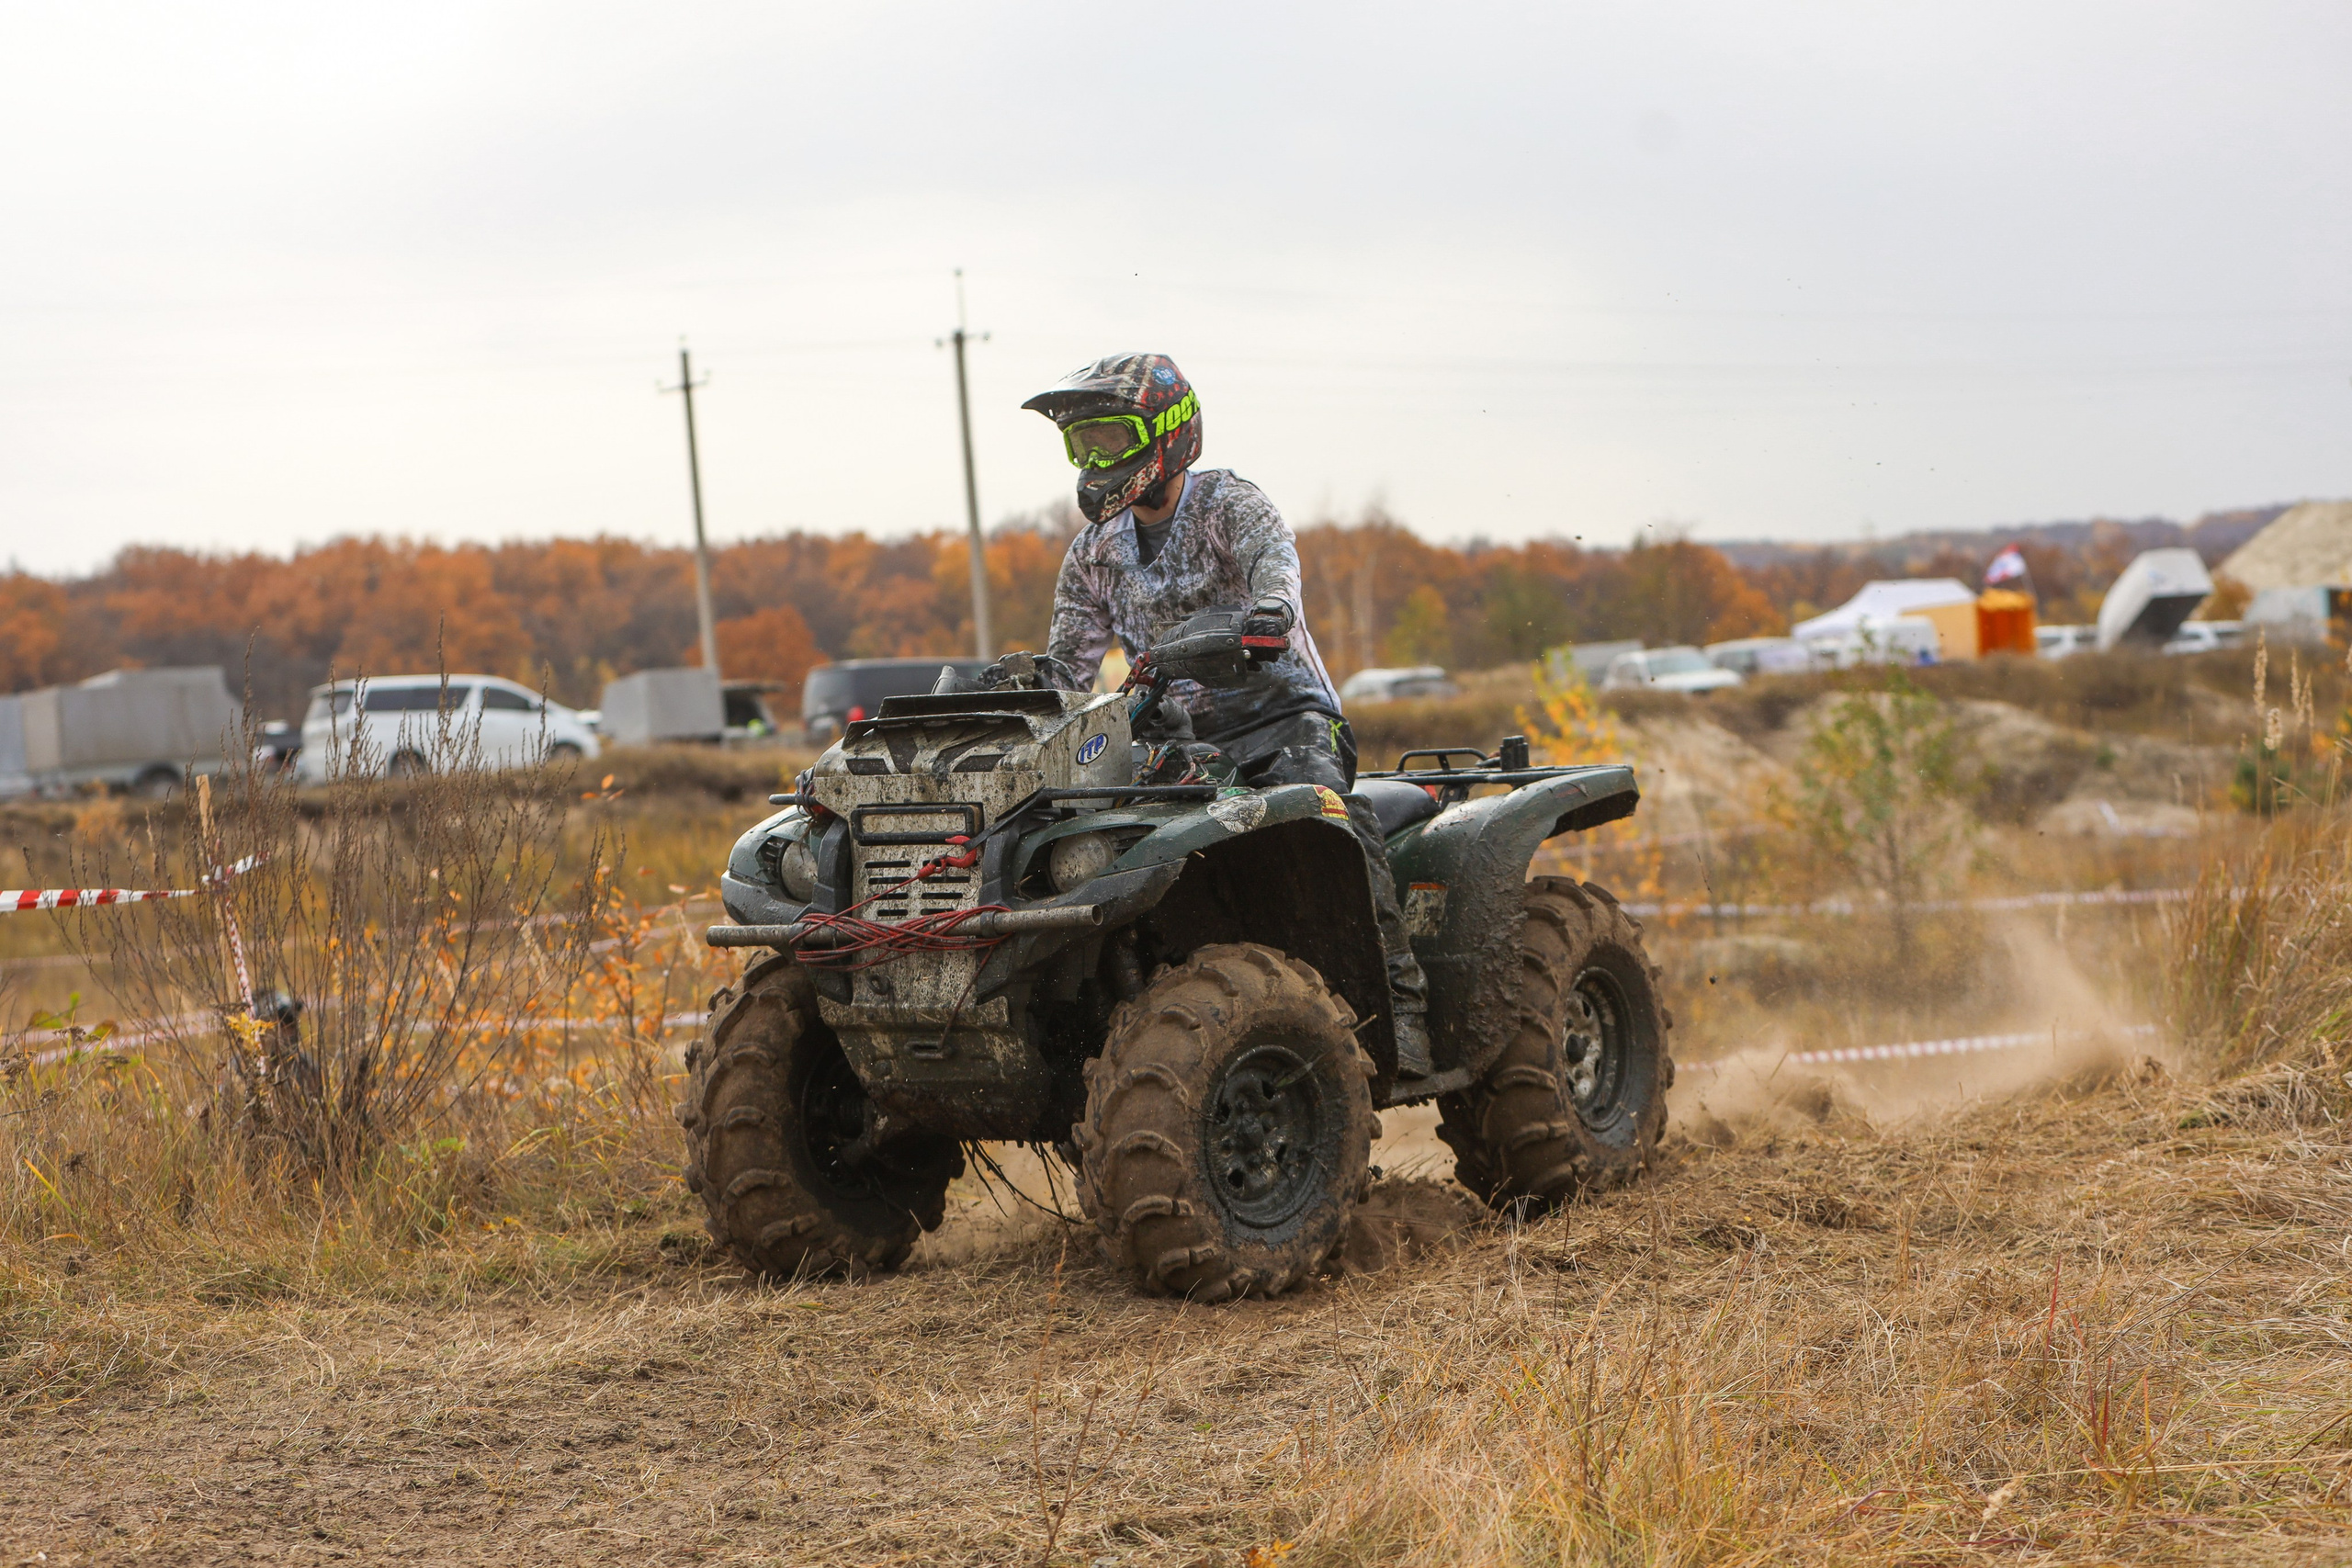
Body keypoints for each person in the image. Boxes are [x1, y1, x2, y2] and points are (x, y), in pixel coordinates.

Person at [1020, 353, 1434, 1079]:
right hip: (1177, 741)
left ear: (1167, 433)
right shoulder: (1092, 553)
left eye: (1108, 442)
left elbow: (1276, 566)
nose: (1094, 462)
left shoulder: (1229, 505)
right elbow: (1069, 675)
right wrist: (1024, 686)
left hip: (1287, 717)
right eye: (1081, 447)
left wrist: (1271, 608)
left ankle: (1401, 1006)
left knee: (1333, 819)